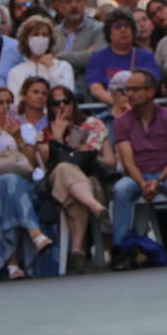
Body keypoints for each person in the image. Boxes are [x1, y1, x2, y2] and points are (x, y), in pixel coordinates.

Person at [113, 69, 167, 264]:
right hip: (136, 176)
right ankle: (120, 249)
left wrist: (158, 180)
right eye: (127, 90)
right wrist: (143, 183)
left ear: (151, 92)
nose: (130, 94)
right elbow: (127, 161)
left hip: (165, 174)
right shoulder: (121, 122)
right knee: (120, 189)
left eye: (135, 89)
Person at [0, 87, 51, 280]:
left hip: (24, 186)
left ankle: (12, 264)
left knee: (12, 183)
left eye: (8, 102)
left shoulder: (26, 129)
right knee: (9, 181)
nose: (5, 107)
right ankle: (34, 232)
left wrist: (17, 138)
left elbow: (30, 165)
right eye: (0, 102)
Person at [40, 85, 113, 274]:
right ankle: (96, 208)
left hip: (88, 179)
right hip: (57, 182)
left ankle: (77, 250)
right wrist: (57, 136)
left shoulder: (91, 124)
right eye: (56, 103)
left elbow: (110, 161)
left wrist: (90, 154)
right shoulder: (45, 132)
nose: (62, 106)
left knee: (74, 191)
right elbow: (51, 164)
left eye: (66, 101)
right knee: (65, 169)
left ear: (74, 102)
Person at [84, 10, 161, 107]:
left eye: (127, 26)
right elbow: (95, 88)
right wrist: (118, 103)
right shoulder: (97, 58)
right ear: (108, 32)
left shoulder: (145, 56)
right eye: (117, 27)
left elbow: (152, 84)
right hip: (109, 109)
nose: (123, 30)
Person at [6, 14, 75, 98]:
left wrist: (51, 68)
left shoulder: (63, 67)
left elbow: (66, 96)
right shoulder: (15, 72)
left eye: (44, 35)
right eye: (35, 34)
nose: (40, 38)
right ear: (26, 39)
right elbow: (16, 102)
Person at [55, 0, 106, 77]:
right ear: (60, 5)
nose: (74, 5)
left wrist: (57, 58)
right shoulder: (53, 33)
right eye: (68, 1)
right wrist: (83, 55)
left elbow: (97, 58)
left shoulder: (99, 29)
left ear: (85, 2)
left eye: (78, 0)